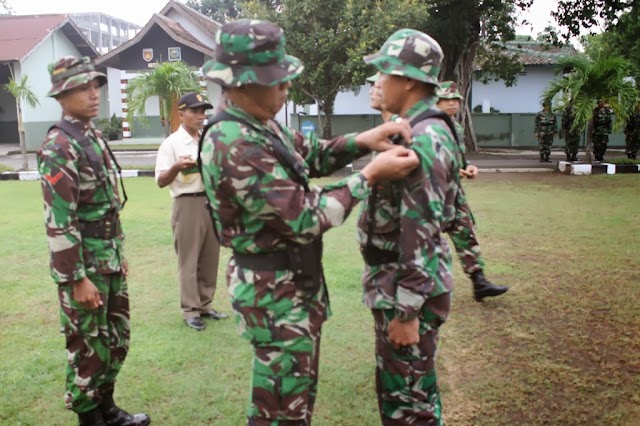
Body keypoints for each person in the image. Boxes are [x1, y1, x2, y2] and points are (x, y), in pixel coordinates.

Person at [198, 19, 419, 425]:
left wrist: (363, 141)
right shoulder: (235, 142)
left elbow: (311, 154)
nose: (286, 88)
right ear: (244, 83)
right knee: (280, 409)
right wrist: (369, 175)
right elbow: (304, 217)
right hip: (273, 297)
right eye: (277, 81)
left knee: (293, 401)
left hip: (290, 288)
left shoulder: (260, 126)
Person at [358, 28, 472, 425]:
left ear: (407, 79)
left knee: (410, 406)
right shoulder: (418, 127)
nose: (378, 82)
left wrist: (407, 312)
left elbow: (420, 228)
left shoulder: (424, 137)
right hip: (400, 283)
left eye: (384, 73)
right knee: (405, 395)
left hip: (406, 292)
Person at [36, 56, 149, 426]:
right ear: (62, 94)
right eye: (83, 87)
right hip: (84, 266)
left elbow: (106, 206)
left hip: (108, 258)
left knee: (116, 339)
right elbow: (60, 221)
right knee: (88, 345)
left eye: (95, 85)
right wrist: (76, 278)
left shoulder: (92, 135)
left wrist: (118, 251)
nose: (93, 93)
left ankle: (108, 409)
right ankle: (90, 419)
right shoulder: (59, 145)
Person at [367, 75, 507, 303]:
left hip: (448, 191)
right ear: (435, 100)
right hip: (427, 193)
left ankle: (477, 278)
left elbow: (458, 160)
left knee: (463, 230)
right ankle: (422, 285)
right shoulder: (410, 125)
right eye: (446, 99)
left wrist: (465, 168)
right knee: (426, 234)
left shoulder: (452, 128)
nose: (452, 103)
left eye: (456, 99)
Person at [155, 92, 228, 331]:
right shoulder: (172, 144)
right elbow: (161, 180)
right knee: (189, 259)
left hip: (210, 203)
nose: (200, 115)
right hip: (187, 204)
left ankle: (205, 305)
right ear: (181, 113)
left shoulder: (206, 140)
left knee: (210, 257)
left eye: (203, 111)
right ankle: (190, 310)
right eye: (194, 111)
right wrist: (176, 166)